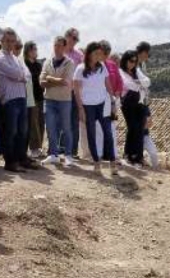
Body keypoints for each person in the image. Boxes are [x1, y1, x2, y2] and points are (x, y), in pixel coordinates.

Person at [74, 42, 118, 175]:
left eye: (100, 53)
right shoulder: (80, 69)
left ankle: (112, 163)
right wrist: (80, 109)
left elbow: (108, 84)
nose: (99, 55)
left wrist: (113, 101)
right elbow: (76, 90)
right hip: (88, 106)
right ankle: (96, 163)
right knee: (91, 134)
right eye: (97, 53)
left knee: (108, 133)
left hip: (102, 104)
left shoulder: (102, 67)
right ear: (90, 53)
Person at [0, 29, 33, 173]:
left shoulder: (16, 58)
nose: (11, 44)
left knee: (22, 131)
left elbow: (27, 75)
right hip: (9, 99)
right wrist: (20, 76)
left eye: (13, 41)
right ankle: (10, 161)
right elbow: (17, 74)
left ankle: (21, 158)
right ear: (2, 41)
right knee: (10, 131)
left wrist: (20, 76)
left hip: (21, 97)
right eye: (8, 41)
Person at [40, 36, 77, 167]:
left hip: (64, 101)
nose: (57, 48)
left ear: (65, 47)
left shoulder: (70, 63)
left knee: (66, 128)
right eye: (56, 45)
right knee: (50, 128)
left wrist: (49, 78)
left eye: (60, 45)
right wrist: (56, 80)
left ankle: (68, 155)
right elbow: (41, 82)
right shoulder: (47, 62)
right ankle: (53, 154)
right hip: (49, 100)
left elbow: (66, 81)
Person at [118, 51, 149, 167]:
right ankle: (128, 154)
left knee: (140, 129)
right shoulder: (120, 71)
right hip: (128, 103)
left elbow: (147, 81)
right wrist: (140, 84)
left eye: (135, 61)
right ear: (125, 60)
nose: (133, 64)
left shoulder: (137, 70)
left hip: (140, 102)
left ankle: (138, 156)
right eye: (131, 61)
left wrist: (138, 83)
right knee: (132, 127)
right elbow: (128, 84)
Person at [63, 27, 84, 159]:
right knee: (62, 122)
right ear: (67, 37)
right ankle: (61, 150)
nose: (75, 41)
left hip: (75, 92)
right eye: (74, 38)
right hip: (61, 92)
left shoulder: (79, 55)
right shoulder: (58, 52)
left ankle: (73, 151)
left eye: (77, 39)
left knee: (74, 122)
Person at [23, 42, 45, 158]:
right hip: (30, 96)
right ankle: (34, 148)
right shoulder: (24, 64)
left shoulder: (38, 64)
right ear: (28, 51)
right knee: (33, 122)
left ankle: (39, 147)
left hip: (40, 95)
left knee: (41, 122)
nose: (35, 51)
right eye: (33, 49)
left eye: (36, 49)